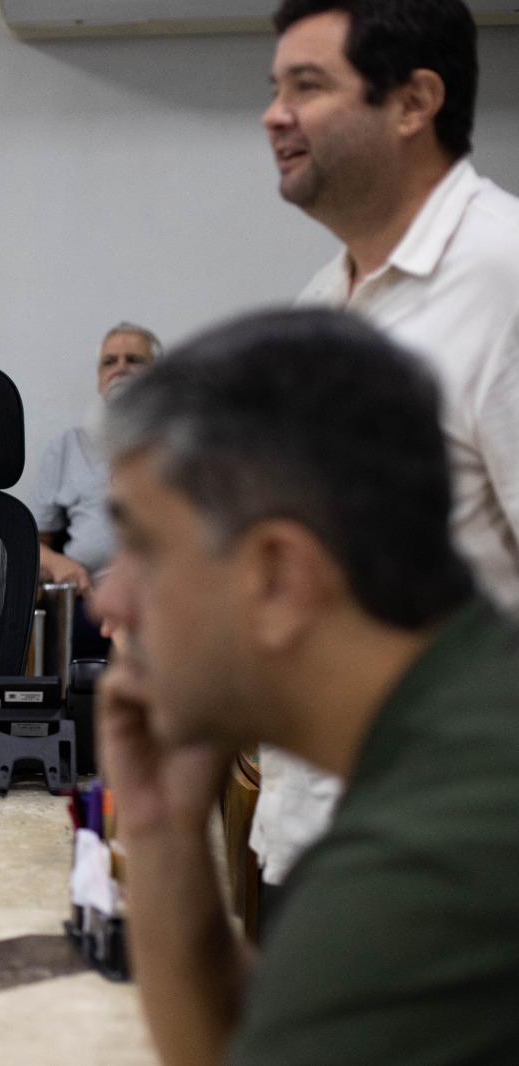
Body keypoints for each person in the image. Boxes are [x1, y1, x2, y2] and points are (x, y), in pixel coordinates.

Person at [93, 307, 519, 1065]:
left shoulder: (419, 871)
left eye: (143, 548)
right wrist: (160, 832)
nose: (108, 601)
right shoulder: (463, 725)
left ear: (281, 580)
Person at [254, 0, 519, 891]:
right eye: (274, 88)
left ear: (414, 103)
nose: (274, 114)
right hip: (318, 834)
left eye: (308, 86)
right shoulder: (318, 305)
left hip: (454, 862)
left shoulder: (505, 278)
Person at [30, 322, 159, 657]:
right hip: (88, 597)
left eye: (133, 360)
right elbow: (34, 547)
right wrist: (59, 564)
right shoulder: (69, 447)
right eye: (109, 362)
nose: (120, 370)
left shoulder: (180, 444)